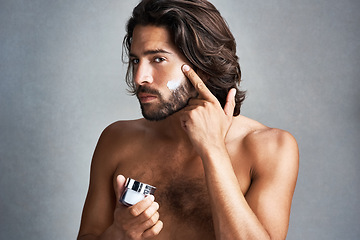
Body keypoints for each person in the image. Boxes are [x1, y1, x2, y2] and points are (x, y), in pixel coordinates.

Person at [77, 0, 299, 239]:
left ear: (202, 65)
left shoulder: (270, 147)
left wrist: (213, 150)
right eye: (135, 60)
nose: (140, 77)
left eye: (158, 59)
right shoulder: (116, 139)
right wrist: (119, 234)